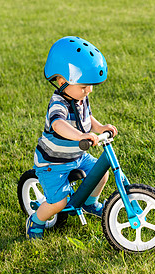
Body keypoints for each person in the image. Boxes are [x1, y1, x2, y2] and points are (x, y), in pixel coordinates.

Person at [26, 36, 117, 239]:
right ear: (62, 81)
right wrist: (81, 136)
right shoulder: (58, 102)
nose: (89, 91)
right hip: (53, 161)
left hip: (76, 155)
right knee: (59, 202)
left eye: (90, 86)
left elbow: (88, 118)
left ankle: (89, 202)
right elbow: (59, 125)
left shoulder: (80, 97)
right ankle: (36, 220)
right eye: (84, 87)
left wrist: (100, 127)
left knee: (101, 173)